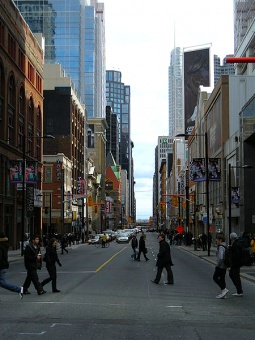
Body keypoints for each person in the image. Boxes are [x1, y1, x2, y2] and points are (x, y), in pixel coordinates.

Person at [0, 231, 23, 299]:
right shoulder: (4, 244)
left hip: (1, 266)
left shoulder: (0, 246)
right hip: (3, 266)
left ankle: (18, 289)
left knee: (2, 282)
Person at [213, 233, 229, 299]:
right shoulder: (225, 246)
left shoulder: (221, 247)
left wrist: (217, 265)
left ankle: (224, 289)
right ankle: (223, 294)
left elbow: (221, 257)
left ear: (220, 240)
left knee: (215, 277)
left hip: (220, 266)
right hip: (224, 266)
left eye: (217, 239)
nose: (216, 240)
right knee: (222, 279)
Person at [229, 232, 243, 297]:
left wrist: (231, 249)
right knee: (233, 275)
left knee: (235, 276)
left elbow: (236, 254)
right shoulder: (237, 243)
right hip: (236, 263)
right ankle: (239, 290)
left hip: (235, 263)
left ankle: (239, 291)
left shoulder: (235, 244)